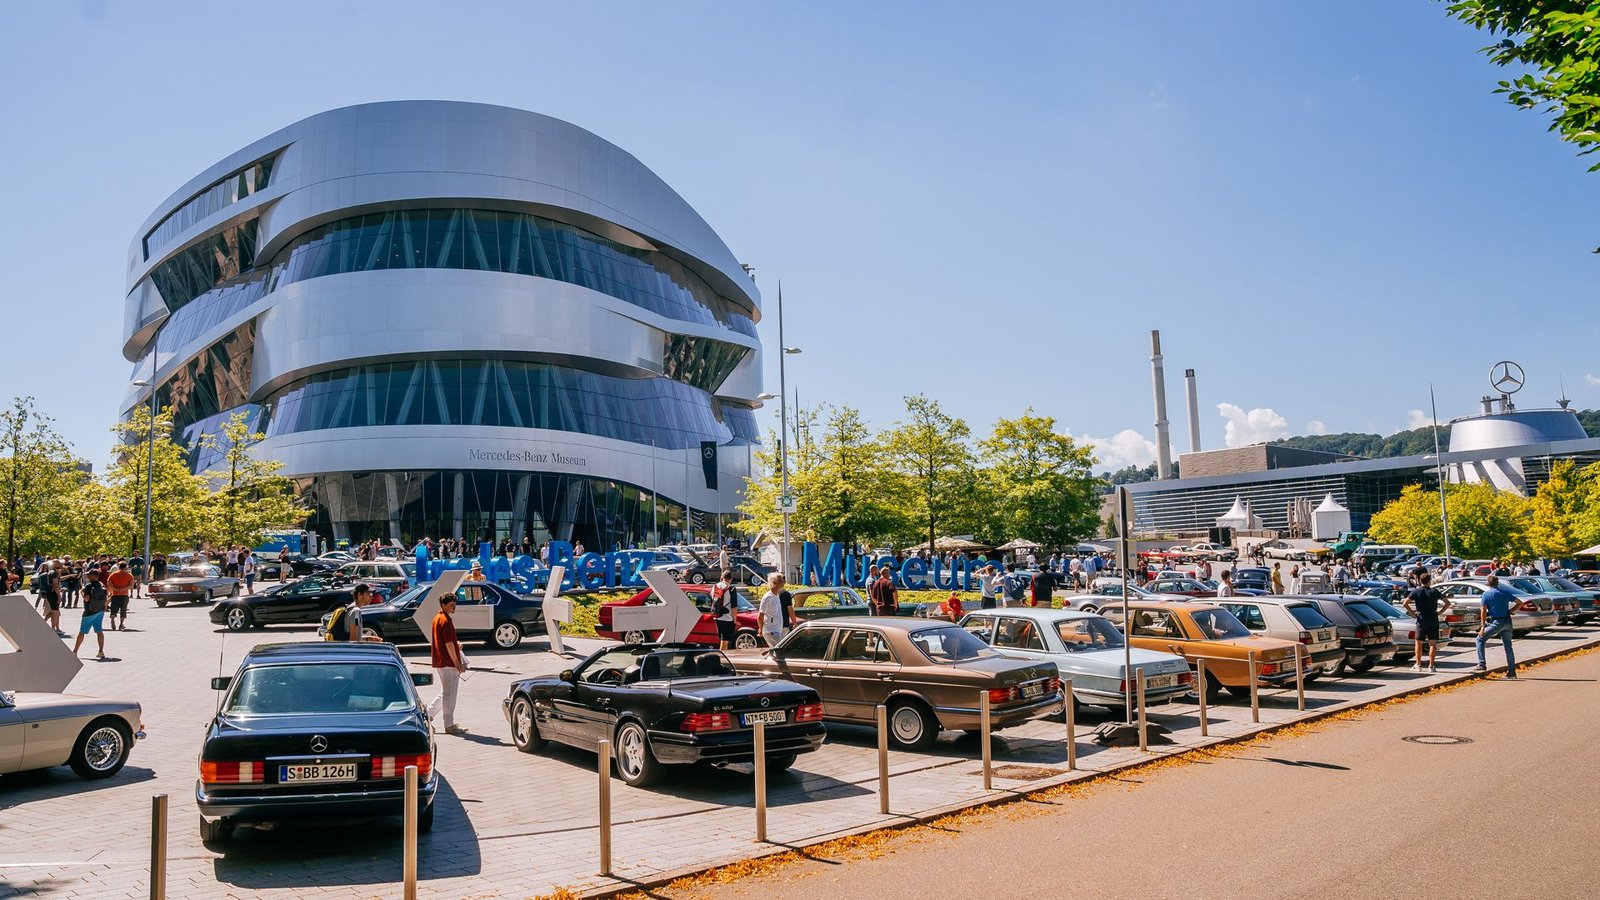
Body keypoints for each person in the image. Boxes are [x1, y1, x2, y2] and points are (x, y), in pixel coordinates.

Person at [428, 594, 469, 734]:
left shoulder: (437, 618)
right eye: (451, 604)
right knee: (450, 695)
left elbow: (449, 643)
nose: (454, 607)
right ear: (444, 605)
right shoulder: (445, 620)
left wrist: (456, 648)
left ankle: (427, 716)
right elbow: (449, 644)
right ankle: (449, 724)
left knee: (445, 693)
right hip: (448, 663)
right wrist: (458, 663)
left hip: (441, 661)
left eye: (454, 604)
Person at [1403, 572, 1450, 673]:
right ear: (1429, 581)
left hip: (1421, 618)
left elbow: (1405, 603)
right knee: (1432, 643)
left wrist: (1413, 614)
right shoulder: (1434, 591)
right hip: (1433, 618)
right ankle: (1431, 666)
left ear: (1420, 581)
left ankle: (1418, 664)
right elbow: (1447, 603)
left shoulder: (1416, 591)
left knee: (1418, 642)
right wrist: (1440, 612)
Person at [1474, 574, 1518, 678]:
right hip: (1507, 620)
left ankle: (1482, 664)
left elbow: (1483, 611)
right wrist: (1511, 610)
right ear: (1497, 583)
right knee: (1508, 647)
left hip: (1497, 621)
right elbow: (1519, 602)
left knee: (1480, 639)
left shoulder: (1486, 594)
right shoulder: (1505, 593)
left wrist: (1483, 626)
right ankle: (1512, 671)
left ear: (1488, 583)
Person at [73, 574, 107, 660]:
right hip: (100, 611)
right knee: (99, 631)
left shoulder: (88, 586)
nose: (88, 577)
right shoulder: (101, 585)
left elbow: (86, 599)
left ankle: (75, 651)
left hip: (89, 612)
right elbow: (106, 597)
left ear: (94, 576)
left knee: (82, 632)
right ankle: (101, 651)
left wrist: (82, 593)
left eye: (90, 576)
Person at [711, 570, 738, 650]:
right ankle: (722, 659)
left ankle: (723, 657)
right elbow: (734, 606)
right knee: (724, 642)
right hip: (727, 618)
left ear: (722, 577)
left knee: (722, 640)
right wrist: (735, 620)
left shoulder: (715, 586)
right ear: (731, 579)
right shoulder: (731, 589)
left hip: (717, 616)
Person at [758, 573, 787, 647]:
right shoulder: (767, 597)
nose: (782, 584)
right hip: (771, 630)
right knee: (780, 650)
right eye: (781, 582)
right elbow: (760, 616)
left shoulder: (776, 595)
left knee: (777, 651)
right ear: (775, 583)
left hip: (776, 630)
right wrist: (761, 629)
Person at [35, 561, 63, 637]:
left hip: (50, 593)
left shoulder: (52, 572)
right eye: (59, 563)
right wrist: (59, 595)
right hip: (53, 594)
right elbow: (55, 584)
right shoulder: (54, 573)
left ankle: (54, 628)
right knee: (55, 612)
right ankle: (53, 629)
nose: (61, 564)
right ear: (55, 565)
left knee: (55, 612)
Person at [106, 562, 134, 631]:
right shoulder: (129, 575)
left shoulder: (113, 574)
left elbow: (109, 584)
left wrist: (115, 589)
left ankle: (112, 620)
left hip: (115, 594)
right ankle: (121, 624)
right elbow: (131, 585)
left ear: (119, 567)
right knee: (123, 609)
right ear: (126, 567)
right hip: (124, 594)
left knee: (113, 609)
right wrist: (122, 589)